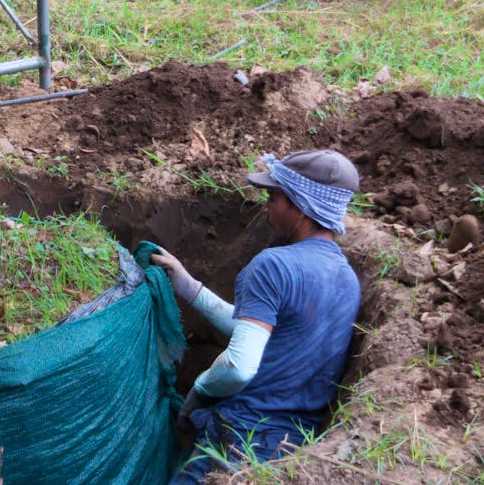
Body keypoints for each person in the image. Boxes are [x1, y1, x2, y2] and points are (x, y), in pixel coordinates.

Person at [150, 149, 363, 483]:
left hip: (239, 440)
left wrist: (198, 393)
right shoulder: (346, 279)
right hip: (292, 450)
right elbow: (261, 332)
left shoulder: (273, 265)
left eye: (274, 198)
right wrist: (189, 287)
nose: (266, 207)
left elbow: (238, 366)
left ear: (301, 205)